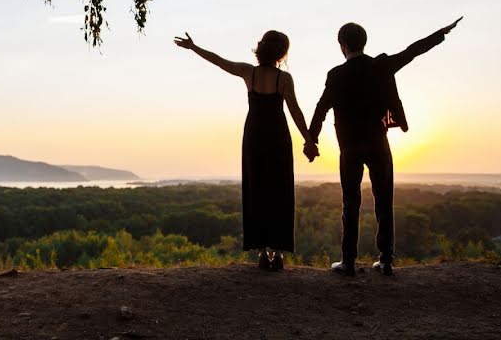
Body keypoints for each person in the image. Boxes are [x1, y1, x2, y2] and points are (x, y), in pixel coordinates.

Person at [308, 17, 463, 277]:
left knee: (350, 202)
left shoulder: (336, 75)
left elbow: (321, 109)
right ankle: (386, 260)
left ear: (342, 45)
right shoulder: (381, 66)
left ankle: (347, 262)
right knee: (384, 200)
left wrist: (311, 139)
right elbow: (413, 51)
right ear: (364, 43)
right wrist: (440, 33)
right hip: (379, 143)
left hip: (349, 147)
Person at [174, 30, 317, 271]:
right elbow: (295, 111)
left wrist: (194, 47)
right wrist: (309, 140)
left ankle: (261, 251)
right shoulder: (284, 79)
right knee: (279, 191)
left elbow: (219, 61)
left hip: (254, 138)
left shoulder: (248, 73)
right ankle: (278, 253)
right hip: (278, 138)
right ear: (282, 53)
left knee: (257, 190)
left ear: (261, 48)